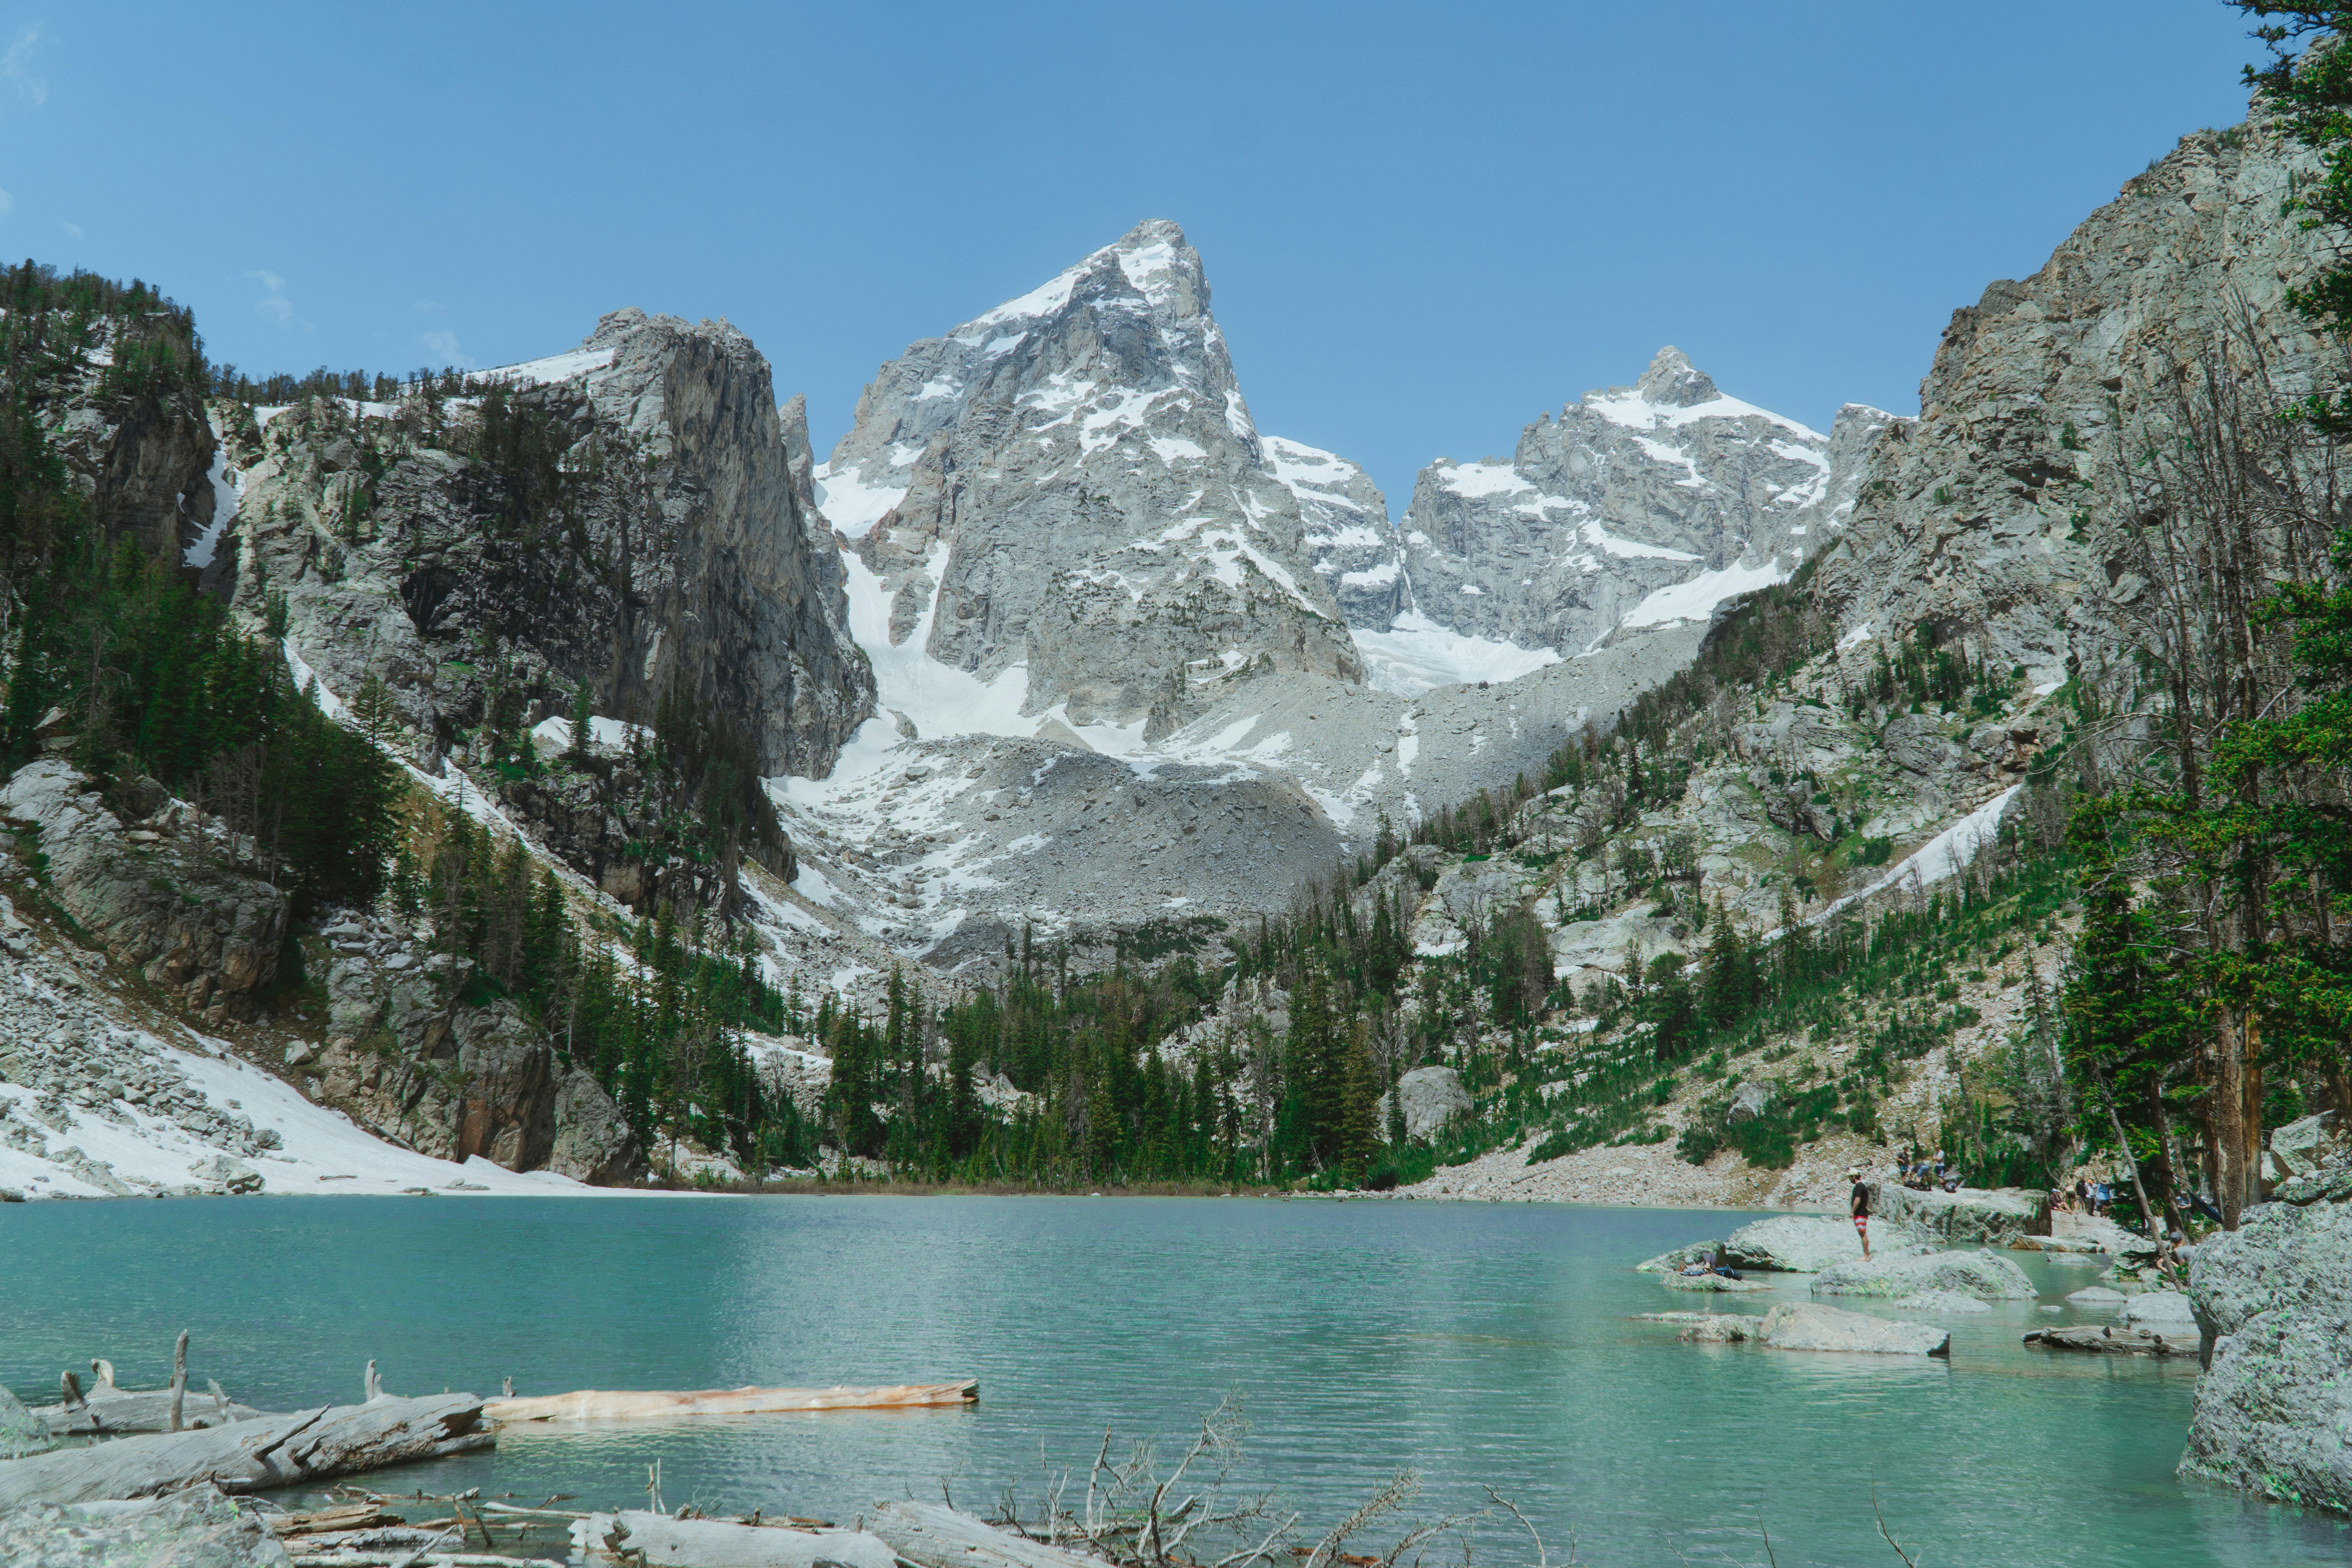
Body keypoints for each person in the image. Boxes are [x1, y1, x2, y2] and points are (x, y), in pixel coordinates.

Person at [1849, 1167, 1873, 1261]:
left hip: (1860, 1214)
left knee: (1863, 1234)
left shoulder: (1859, 1187)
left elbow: (1858, 1200)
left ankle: (1866, 1255)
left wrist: (1853, 1212)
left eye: (1850, 1177)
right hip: (1862, 1214)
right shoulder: (1862, 1186)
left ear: (1854, 1177)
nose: (1850, 1179)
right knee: (1862, 1233)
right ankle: (1866, 1254)